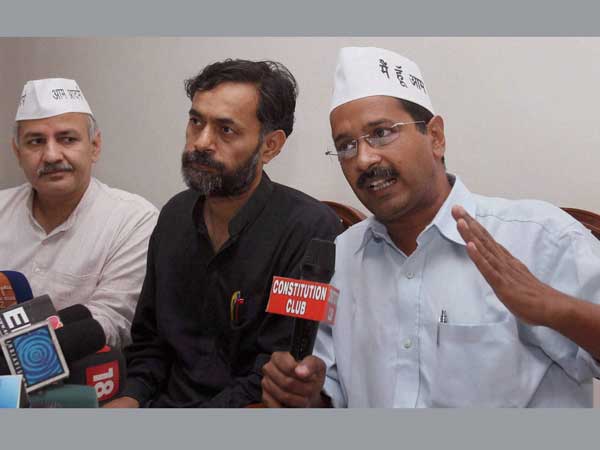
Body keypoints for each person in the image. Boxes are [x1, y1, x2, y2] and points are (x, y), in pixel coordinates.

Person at [261, 47, 600, 407]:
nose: (363, 159)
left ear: (435, 136)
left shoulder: (539, 237)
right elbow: (329, 390)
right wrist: (304, 393)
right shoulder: (340, 255)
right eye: (346, 146)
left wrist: (556, 308)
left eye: (381, 133)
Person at [104, 59, 342, 408]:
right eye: (196, 122)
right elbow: (149, 344)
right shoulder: (173, 216)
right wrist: (130, 398)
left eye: (226, 130)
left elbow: (278, 371)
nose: (201, 142)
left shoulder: (311, 231)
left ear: (270, 145)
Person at [0, 78, 158, 348]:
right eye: (36, 141)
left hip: (84, 371)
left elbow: (113, 321)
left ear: (94, 146)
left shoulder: (133, 221)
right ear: (17, 152)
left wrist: (28, 350)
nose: (51, 155)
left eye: (67, 139)